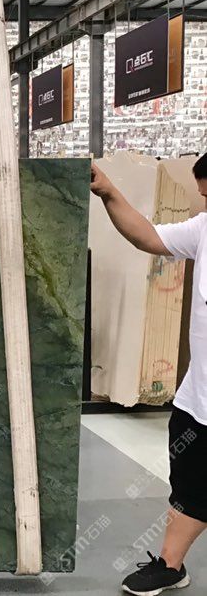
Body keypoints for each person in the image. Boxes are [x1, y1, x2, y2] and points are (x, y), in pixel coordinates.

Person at [91, 153, 207, 596]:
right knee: (190, 485)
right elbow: (148, 235)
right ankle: (171, 566)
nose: (205, 206)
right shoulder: (204, 230)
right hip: (198, 402)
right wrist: (108, 191)